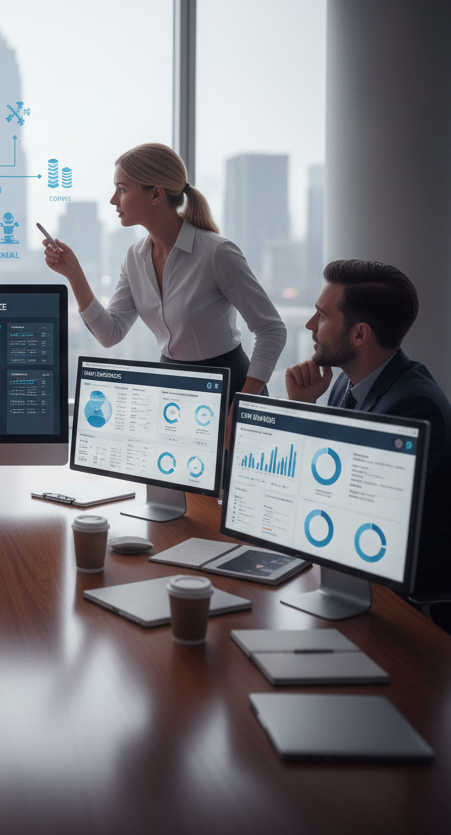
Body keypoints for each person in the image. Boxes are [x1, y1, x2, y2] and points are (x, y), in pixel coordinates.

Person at [43, 142, 286, 403]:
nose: (113, 200)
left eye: (122, 190)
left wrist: (242, 405)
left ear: (156, 195)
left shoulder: (217, 253)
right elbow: (109, 334)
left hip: (229, 389)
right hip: (171, 387)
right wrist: (74, 274)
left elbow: (272, 330)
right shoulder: (134, 258)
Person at [285, 260, 451, 598]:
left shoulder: (414, 407)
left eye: (323, 316)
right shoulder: (344, 381)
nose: (309, 324)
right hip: (346, 570)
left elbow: (341, 500)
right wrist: (304, 406)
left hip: (398, 602)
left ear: (360, 334)